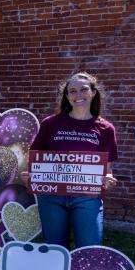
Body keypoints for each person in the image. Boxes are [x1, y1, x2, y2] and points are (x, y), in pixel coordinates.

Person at [21, 72, 118, 248]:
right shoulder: (50, 124)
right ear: (66, 96)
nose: (78, 95)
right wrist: (31, 175)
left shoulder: (106, 129)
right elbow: (35, 158)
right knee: (55, 250)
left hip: (87, 197)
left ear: (93, 93)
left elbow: (107, 169)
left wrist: (108, 179)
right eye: (72, 91)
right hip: (51, 197)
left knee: (90, 249)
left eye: (83, 89)